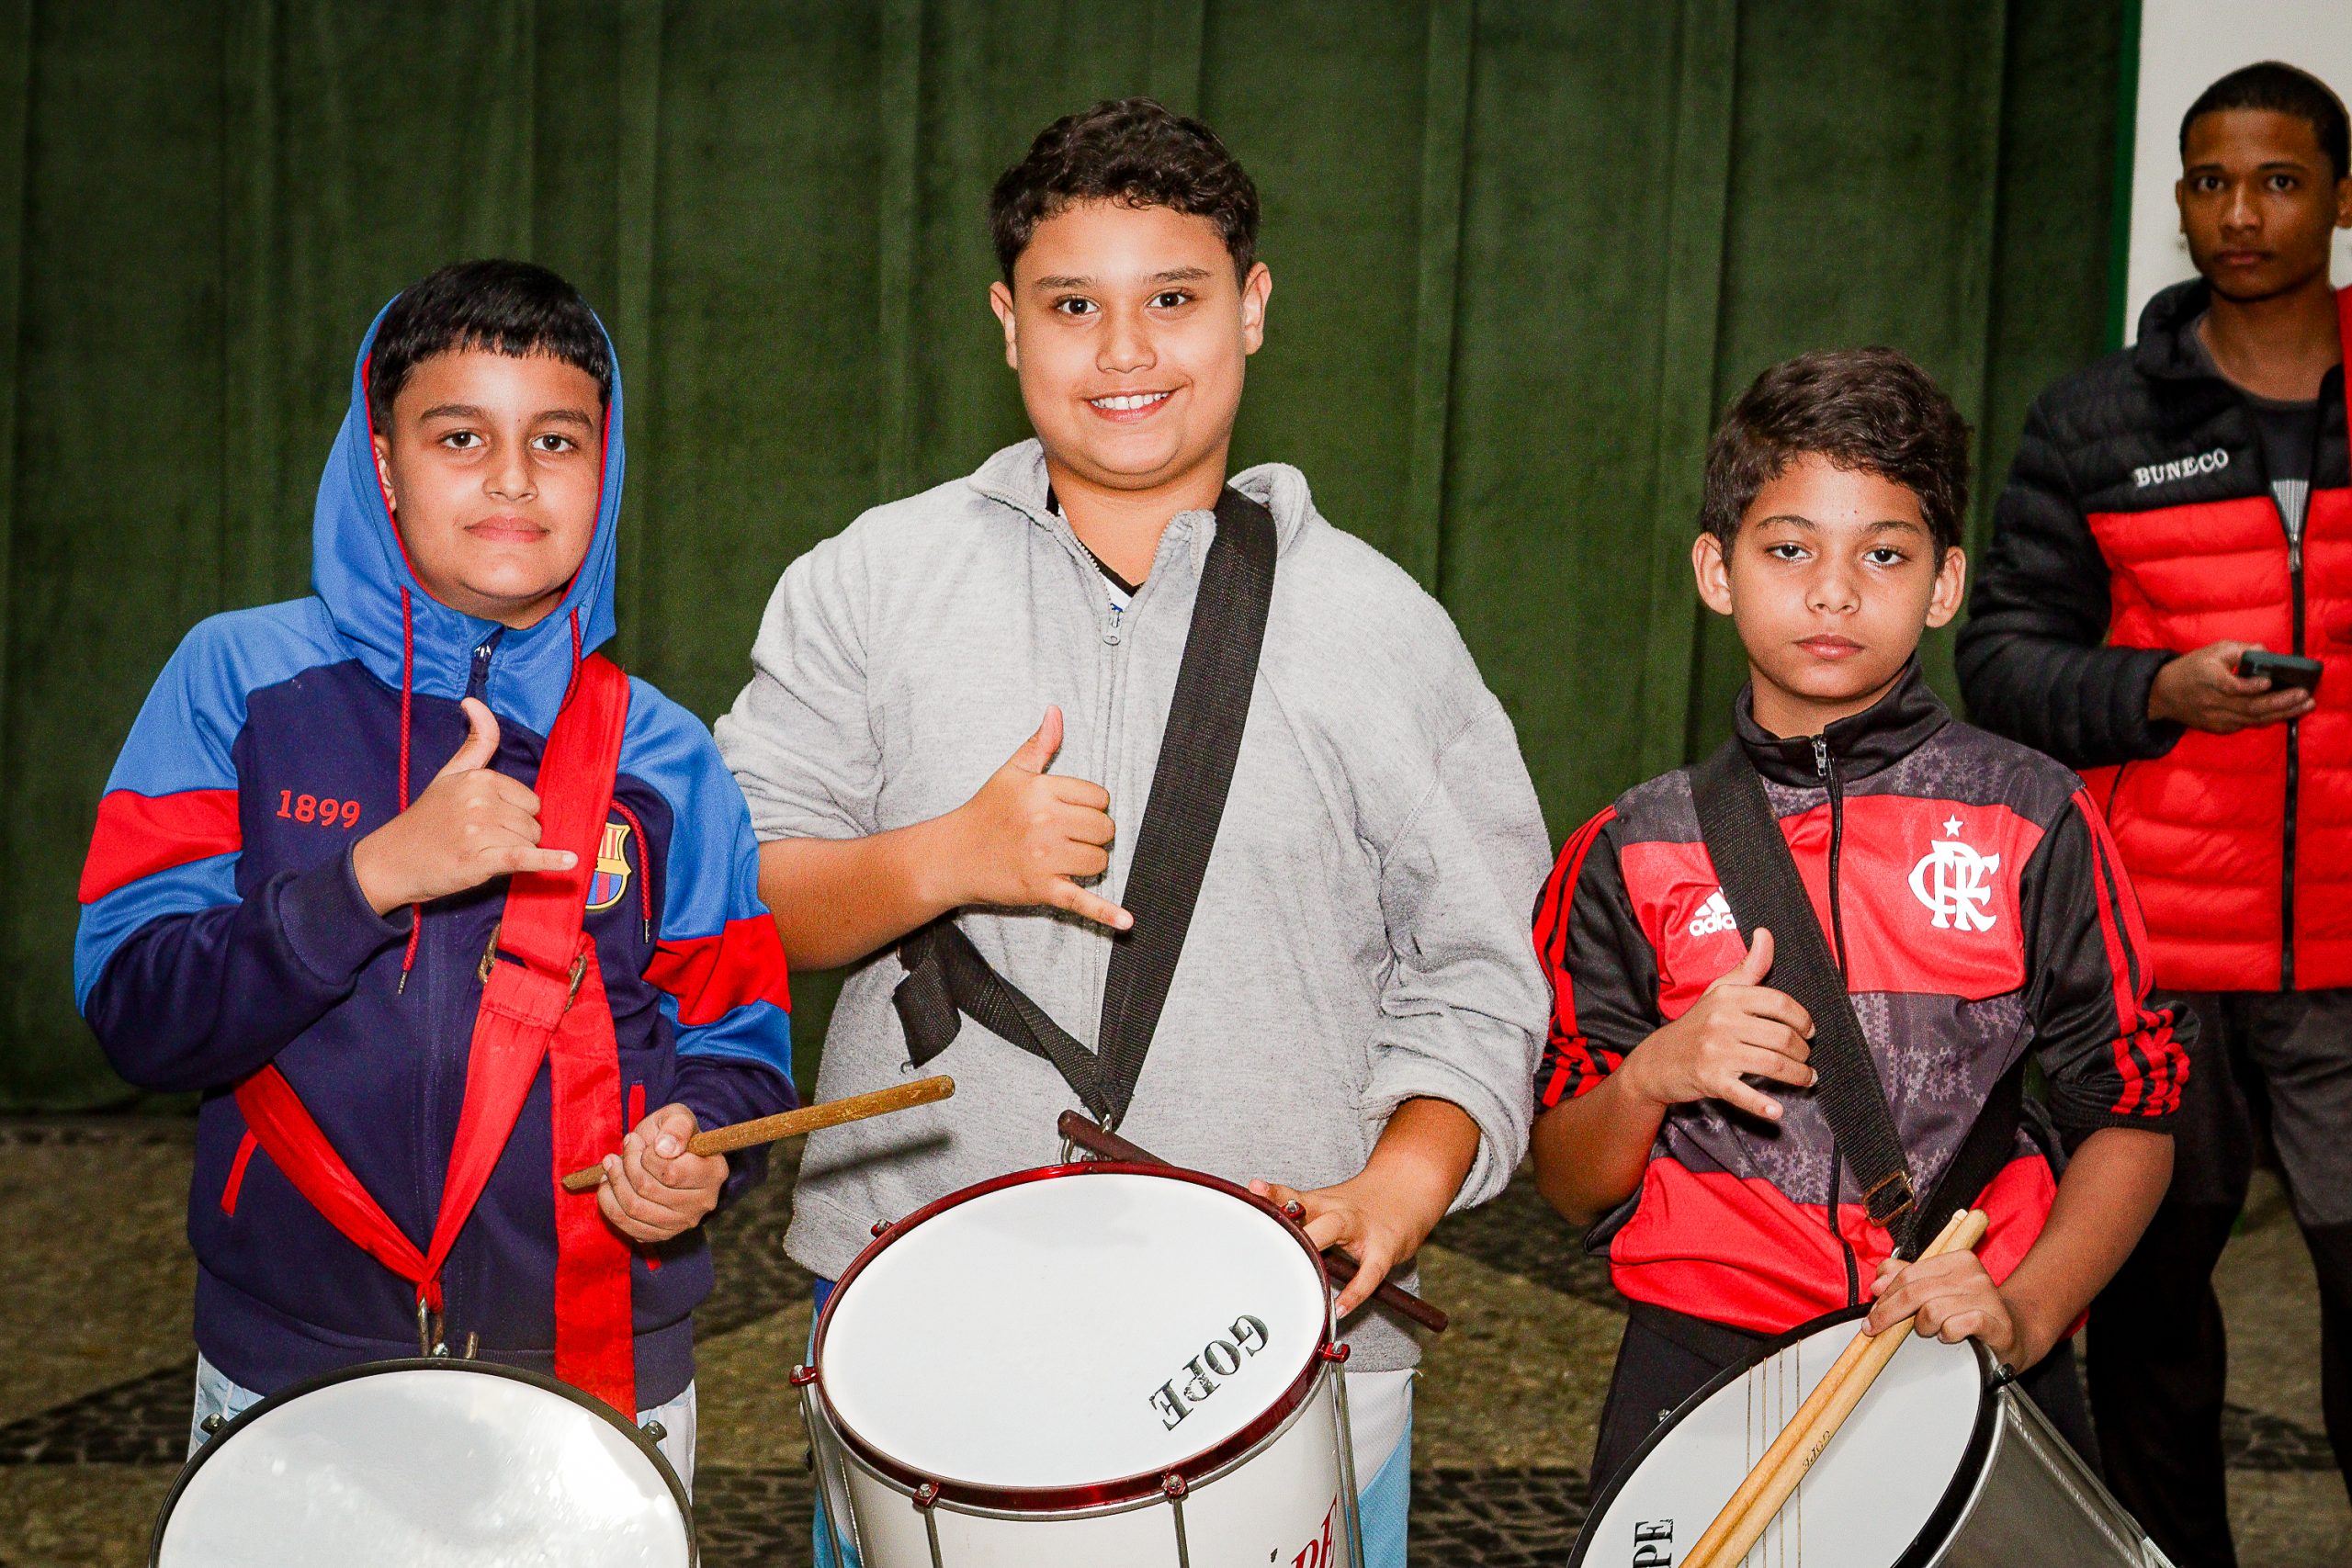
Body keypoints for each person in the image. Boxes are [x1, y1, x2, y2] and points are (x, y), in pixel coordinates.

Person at [715, 98, 1549, 1565]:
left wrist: (1402, 1184)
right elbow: (741, 900)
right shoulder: (869, 579)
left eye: (1174, 298)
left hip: (1271, 1344)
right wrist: (944, 858)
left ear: (1255, 308)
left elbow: (1484, 969)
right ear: (1004, 321)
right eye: (1072, 305)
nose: (1124, 352)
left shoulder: (1379, 627)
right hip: (921, 1318)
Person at [74, 260, 795, 1486]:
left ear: (604, 470)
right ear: (384, 461)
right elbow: (139, 1008)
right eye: (461, 434)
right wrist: (369, 876)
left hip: (599, 1368)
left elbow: (738, 1041)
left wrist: (699, 1150)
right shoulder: (236, 681)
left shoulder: (666, 751)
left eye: (556, 439)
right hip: (288, 1363)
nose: (513, 476)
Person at [1532, 348, 2184, 1494]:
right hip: (1700, 1363)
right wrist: (1652, 1076)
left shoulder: (2037, 818)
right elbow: (1568, 1178)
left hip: (1967, 1340)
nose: (1833, 591)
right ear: (1715, 569)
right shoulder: (1628, 849)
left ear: (1942, 586)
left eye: (1882, 554)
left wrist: (2023, 1321)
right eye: (1789, 549)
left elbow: (2130, 1118)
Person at [1957, 61, 2352, 1566]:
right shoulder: (2098, 422)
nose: (2238, 212)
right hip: (2159, 961)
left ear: (2340, 195)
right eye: (2208, 181)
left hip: (2346, 970)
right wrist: (2155, 693)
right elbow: (2000, 656)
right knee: (2152, 1333)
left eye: (2278, 179)